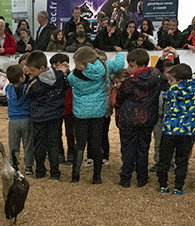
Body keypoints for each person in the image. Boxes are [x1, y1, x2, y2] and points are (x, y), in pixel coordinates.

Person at [67, 47, 126, 184]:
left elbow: (70, 81)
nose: (76, 67)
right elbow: (120, 64)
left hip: (81, 113)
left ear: (85, 63)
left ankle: (75, 176)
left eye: (77, 64)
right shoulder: (105, 67)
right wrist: (119, 53)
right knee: (96, 143)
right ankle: (97, 177)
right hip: (98, 112)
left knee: (80, 144)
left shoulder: (73, 76)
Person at [156, 63, 195, 195]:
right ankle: (178, 188)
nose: (169, 82)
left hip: (169, 131)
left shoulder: (173, 91)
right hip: (186, 132)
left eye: (170, 80)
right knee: (182, 161)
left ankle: (163, 186)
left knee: (164, 159)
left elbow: (165, 98)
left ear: (179, 80)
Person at [116, 49, 162, 188]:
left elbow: (119, 99)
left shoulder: (130, 82)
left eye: (131, 65)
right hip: (148, 119)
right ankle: (142, 178)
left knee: (128, 149)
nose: (128, 68)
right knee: (143, 148)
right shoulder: (155, 75)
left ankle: (126, 178)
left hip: (130, 118)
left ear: (141, 66)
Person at [25, 50, 68, 180]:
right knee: (53, 144)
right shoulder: (59, 75)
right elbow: (65, 87)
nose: (30, 74)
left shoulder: (34, 84)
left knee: (39, 145)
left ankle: (40, 172)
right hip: (55, 116)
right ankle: (55, 173)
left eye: (32, 71)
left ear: (42, 68)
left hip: (39, 118)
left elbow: (28, 94)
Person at [5, 64, 34, 175]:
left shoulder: (7, 89)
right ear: (22, 78)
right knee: (28, 144)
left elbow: (10, 84)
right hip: (26, 118)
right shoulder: (26, 88)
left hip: (13, 120)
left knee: (13, 144)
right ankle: (28, 166)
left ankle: (14, 165)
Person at [50, 53, 76, 166]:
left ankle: (71, 153)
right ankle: (60, 153)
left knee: (70, 133)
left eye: (56, 65)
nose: (54, 68)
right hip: (57, 108)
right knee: (57, 133)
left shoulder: (72, 76)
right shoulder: (52, 77)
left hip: (69, 107)